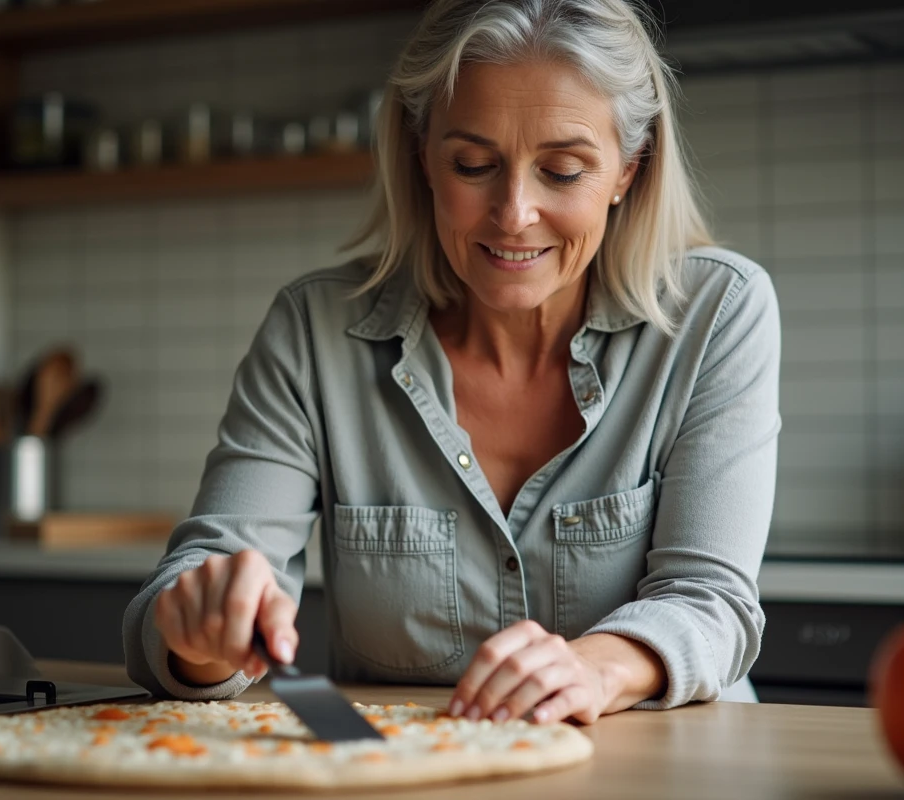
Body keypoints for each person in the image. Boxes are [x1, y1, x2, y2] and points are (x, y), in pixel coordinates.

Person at [123, 0, 780, 725]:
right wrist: (200, 630)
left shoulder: (717, 311)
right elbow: (194, 582)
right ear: (422, 158)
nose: (514, 213)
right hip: (404, 769)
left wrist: (597, 668)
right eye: (473, 165)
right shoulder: (314, 330)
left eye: (563, 171)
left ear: (629, 169)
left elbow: (712, 603)